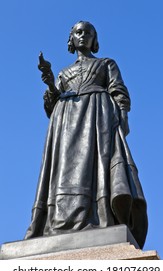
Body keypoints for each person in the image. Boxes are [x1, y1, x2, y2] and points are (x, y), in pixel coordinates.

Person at [25, 21, 148, 249]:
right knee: (63, 172)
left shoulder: (106, 64)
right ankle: (57, 222)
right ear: (71, 39)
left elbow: (119, 92)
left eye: (88, 33)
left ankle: (99, 218)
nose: (83, 36)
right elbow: (51, 108)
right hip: (65, 123)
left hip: (97, 118)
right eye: (78, 32)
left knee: (96, 167)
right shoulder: (63, 73)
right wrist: (52, 84)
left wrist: (122, 119)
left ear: (95, 39)